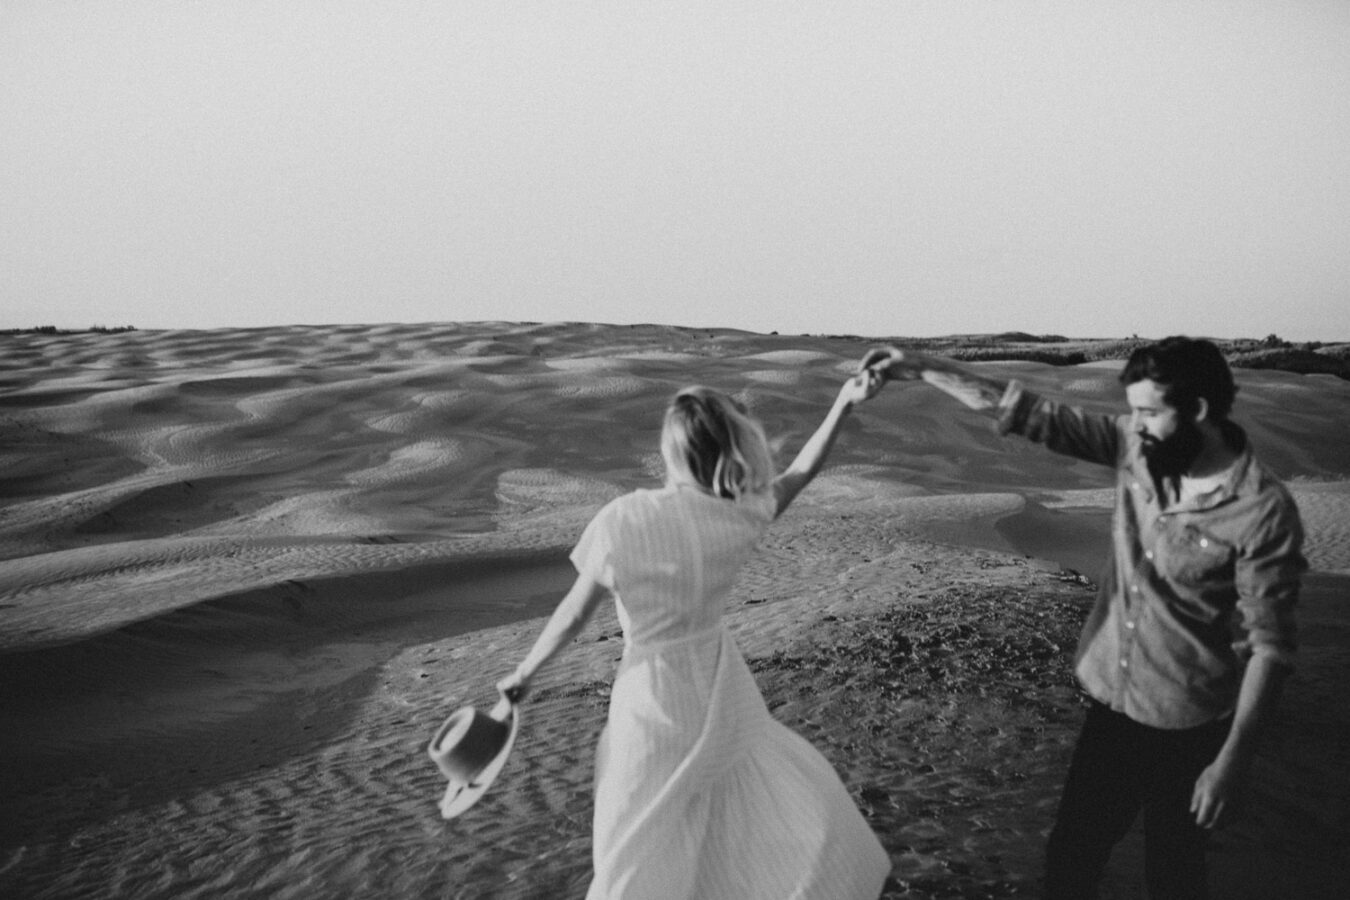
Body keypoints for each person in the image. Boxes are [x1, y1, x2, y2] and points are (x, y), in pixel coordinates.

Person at [862, 336, 1305, 900]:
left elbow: (1271, 647)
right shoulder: (1141, 448)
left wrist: (1234, 762)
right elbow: (1030, 414)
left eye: (1148, 412)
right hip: (1112, 704)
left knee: (1174, 874)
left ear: (1197, 412)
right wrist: (922, 367)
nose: (1135, 425)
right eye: (1132, 411)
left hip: (1189, 723)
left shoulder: (1262, 512)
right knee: (1072, 858)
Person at [497, 376, 892, 900]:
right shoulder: (740, 514)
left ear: (671, 448)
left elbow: (572, 618)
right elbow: (801, 471)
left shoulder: (624, 519)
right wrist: (842, 400)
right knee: (730, 808)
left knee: (637, 835)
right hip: (718, 685)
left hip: (651, 695)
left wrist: (523, 676)